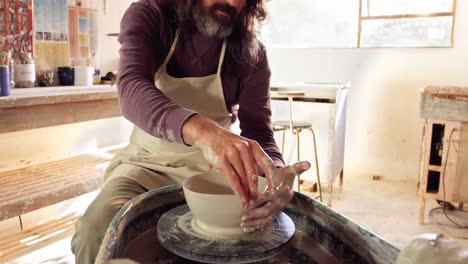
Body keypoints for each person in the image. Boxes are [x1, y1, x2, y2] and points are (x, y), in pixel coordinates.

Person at [71, 0, 310, 263]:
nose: (232, 1)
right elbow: (130, 86)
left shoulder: (251, 53)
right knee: (94, 232)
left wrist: (276, 171)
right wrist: (204, 131)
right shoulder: (152, 16)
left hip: (213, 178)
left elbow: (259, 132)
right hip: (145, 167)